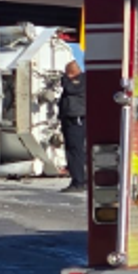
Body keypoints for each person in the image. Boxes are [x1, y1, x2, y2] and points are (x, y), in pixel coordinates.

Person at [59, 60, 87, 193]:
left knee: (75, 151)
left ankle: (78, 181)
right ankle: (79, 178)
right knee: (74, 150)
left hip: (76, 119)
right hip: (71, 119)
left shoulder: (80, 81)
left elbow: (70, 89)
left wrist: (65, 79)